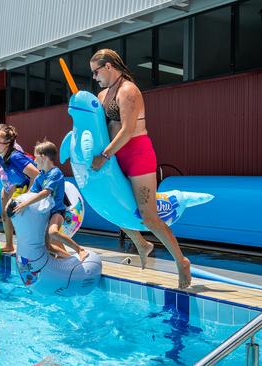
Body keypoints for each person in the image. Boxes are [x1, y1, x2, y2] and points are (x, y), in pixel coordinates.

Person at [89, 49, 191, 288]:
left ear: (109, 67)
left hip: (136, 154)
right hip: (115, 156)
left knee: (149, 216)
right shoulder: (103, 94)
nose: (95, 77)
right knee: (112, 206)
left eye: (96, 71)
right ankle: (142, 244)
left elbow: (126, 130)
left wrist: (103, 156)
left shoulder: (128, 90)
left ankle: (181, 262)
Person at [12, 140, 89, 261]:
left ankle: (80, 250)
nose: (34, 161)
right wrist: (19, 201)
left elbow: (45, 193)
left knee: (53, 232)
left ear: (43, 157)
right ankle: (70, 260)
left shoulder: (55, 173)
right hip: (45, 213)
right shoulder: (40, 176)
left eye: (36, 157)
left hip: (57, 211)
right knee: (47, 246)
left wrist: (25, 204)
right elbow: (31, 194)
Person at [0, 124, 39, 253]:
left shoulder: (14, 153)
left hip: (17, 186)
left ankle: (27, 248)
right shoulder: (1, 152)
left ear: (7, 142)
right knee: (5, 215)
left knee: (18, 217)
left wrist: (27, 196)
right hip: (6, 185)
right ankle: (9, 244)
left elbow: (35, 174)